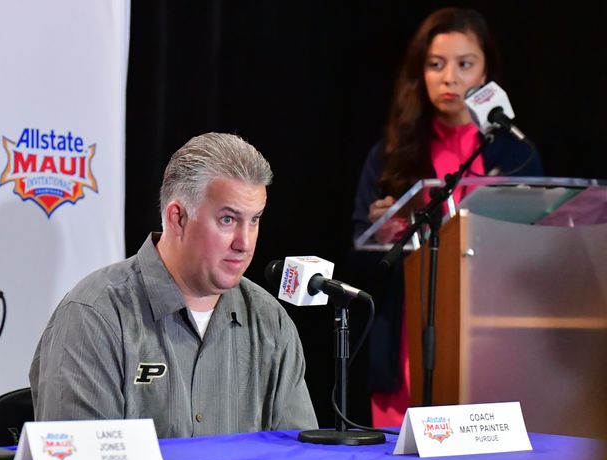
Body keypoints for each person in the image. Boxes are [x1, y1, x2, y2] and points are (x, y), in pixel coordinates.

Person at [30, 132, 317, 437]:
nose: (244, 243)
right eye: (228, 220)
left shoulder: (269, 321)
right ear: (178, 218)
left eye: (255, 220)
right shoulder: (95, 316)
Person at [351, 8, 543, 427]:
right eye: (436, 64)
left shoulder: (515, 156)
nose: (449, 78)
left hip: (492, 342)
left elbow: (540, 256)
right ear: (421, 73)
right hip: (405, 340)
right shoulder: (390, 155)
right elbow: (360, 260)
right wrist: (390, 232)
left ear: (486, 72)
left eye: (464, 64)